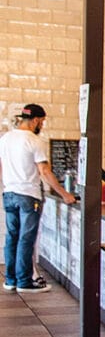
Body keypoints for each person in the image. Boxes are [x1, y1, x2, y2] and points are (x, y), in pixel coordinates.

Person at [0, 104, 76, 293]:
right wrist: (65, 194)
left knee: (12, 237)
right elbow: (44, 171)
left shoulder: (6, 139)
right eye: (41, 121)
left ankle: (10, 280)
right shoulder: (34, 141)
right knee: (26, 239)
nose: (41, 125)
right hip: (28, 195)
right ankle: (24, 282)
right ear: (35, 120)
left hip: (9, 193)